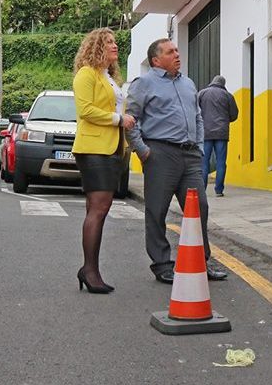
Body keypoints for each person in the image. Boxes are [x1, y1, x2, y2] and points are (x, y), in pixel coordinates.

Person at [126, 39, 228, 284]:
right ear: (156, 60)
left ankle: (201, 261)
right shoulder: (144, 83)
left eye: (177, 50)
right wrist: (143, 151)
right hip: (160, 153)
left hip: (191, 155)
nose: (177, 54)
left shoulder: (188, 83)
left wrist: (201, 146)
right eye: (170, 52)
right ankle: (162, 264)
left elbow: (198, 117)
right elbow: (130, 120)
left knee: (199, 208)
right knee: (156, 211)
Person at [72, 28, 135, 295]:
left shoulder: (108, 78)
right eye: (108, 42)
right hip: (94, 148)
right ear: (96, 47)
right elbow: (85, 110)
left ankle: (90, 269)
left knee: (98, 209)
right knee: (98, 209)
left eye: (115, 42)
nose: (114, 46)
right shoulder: (86, 74)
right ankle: (90, 270)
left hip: (111, 149)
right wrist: (119, 119)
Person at [197, 75, 239, 197]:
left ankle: (202, 190)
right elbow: (234, 114)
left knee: (204, 162)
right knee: (221, 162)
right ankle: (219, 190)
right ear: (223, 84)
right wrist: (225, 120)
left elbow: (195, 111)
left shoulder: (202, 93)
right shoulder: (228, 96)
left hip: (205, 133)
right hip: (222, 133)